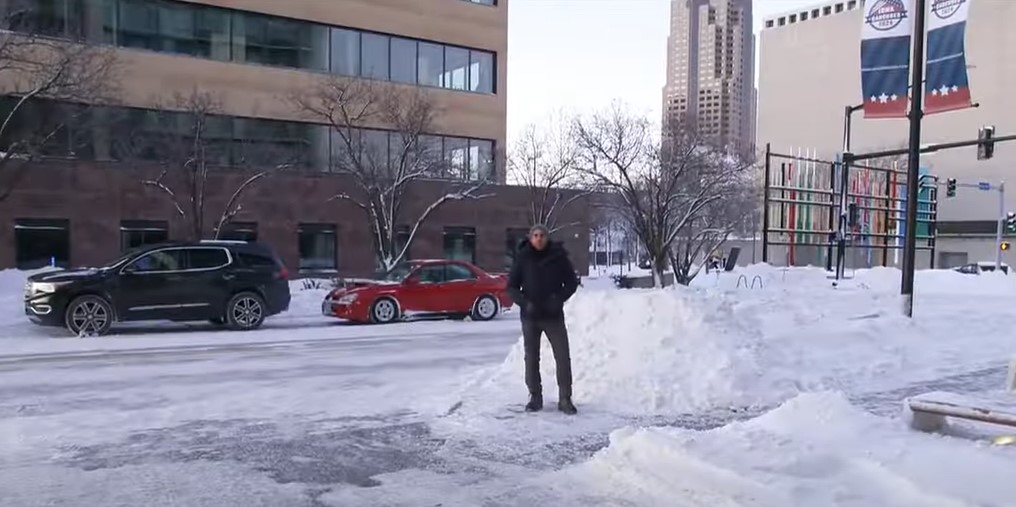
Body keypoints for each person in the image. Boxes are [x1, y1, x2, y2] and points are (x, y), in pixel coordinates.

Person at [506, 224, 580, 415]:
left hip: (553, 315)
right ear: (530, 238)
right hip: (530, 317)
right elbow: (512, 287)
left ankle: (565, 398)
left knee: (562, 356)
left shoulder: (558, 257)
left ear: (547, 238)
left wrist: (558, 299)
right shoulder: (523, 257)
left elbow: (572, 282)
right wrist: (524, 303)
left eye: (542, 235)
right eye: (535, 235)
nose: (539, 238)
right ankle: (535, 397)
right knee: (531, 358)